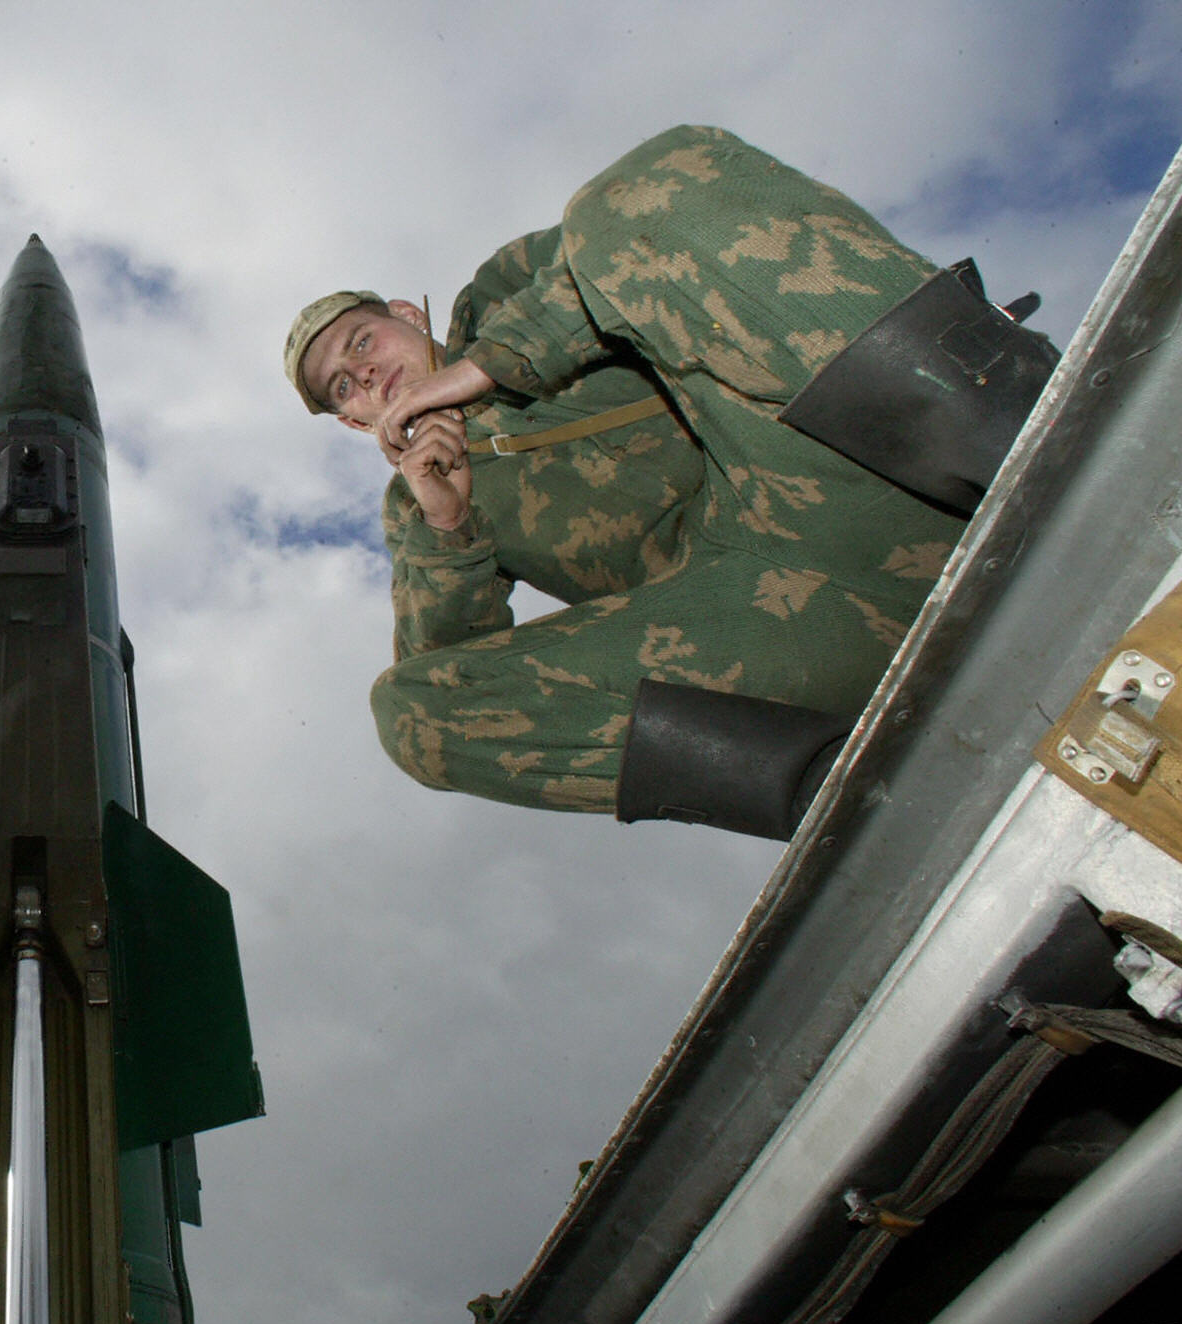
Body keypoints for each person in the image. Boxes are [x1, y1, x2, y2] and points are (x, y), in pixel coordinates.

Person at [284, 125, 1056, 838]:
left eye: (363, 341)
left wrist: (489, 365)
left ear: (404, 314)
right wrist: (449, 527)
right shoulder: (417, 508)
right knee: (413, 712)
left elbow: (637, 238)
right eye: (344, 388)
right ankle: (868, 812)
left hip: (865, 470)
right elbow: (457, 673)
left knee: (631, 194)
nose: (366, 374)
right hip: (781, 623)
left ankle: (1043, 436)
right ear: (353, 424)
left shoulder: (504, 292)